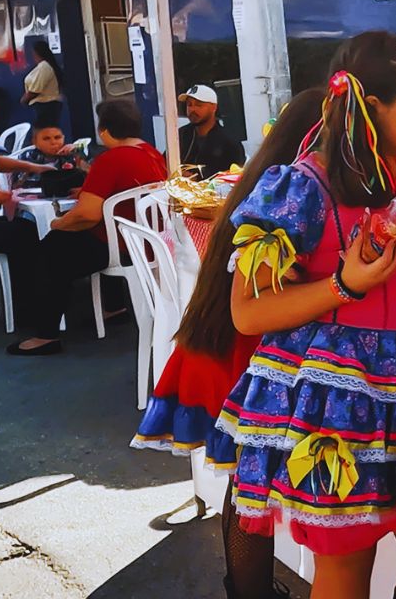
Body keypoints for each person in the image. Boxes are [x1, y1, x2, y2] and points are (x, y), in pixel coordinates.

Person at [218, 30, 396, 599]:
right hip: (342, 398)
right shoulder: (305, 186)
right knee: (345, 567)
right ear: (370, 107)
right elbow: (247, 311)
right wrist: (344, 284)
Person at [131, 88, 325, 599]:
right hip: (246, 355)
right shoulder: (292, 194)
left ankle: (247, 590)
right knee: (250, 488)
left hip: (222, 347)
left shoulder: (259, 186)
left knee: (246, 486)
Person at [7, 99, 168, 356]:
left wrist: (58, 222)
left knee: (50, 248)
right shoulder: (150, 153)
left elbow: (87, 215)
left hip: (118, 245)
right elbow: (123, 192)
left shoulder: (110, 160)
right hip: (147, 240)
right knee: (81, 240)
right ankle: (115, 308)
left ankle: (45, 334)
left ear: (104, 130)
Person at [179, 84, 246, 178]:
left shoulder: (230, 142)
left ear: (214, 107)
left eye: (199, 105)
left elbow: (234, 176)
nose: (192, 109)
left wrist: (196, 178)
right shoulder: (180, 135)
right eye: (189, 104)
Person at [11, 125, 86, 188]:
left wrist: (78, 154)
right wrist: (29, 170)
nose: (53, 142)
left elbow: (88, 179)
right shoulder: (29, 156)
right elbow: (16, 185)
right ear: (35, 142)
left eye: (57, 137)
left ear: (63, 138)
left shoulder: (69, 156)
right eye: (46, 139)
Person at [22, 39, 63, 129]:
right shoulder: (43, 66)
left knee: (44, 131)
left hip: (45, 107)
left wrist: (24, 100)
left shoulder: (44, 67)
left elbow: (35, 90)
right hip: (44, 107)